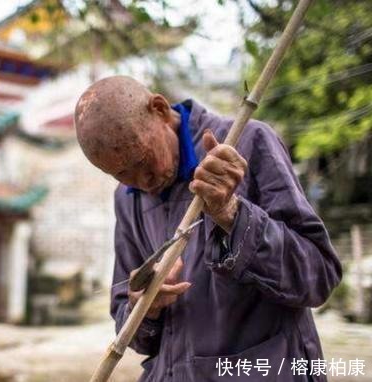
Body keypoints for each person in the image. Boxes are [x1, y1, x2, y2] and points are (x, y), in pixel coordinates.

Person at [74, 76, 342, 381]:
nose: (142, 182)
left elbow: (319, 276)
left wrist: (232, 214)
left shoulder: (245, 144)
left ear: (160, 110)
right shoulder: (127, 199)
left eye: (143, 161)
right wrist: (144, 307)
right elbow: (131, 329)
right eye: (120, 174)